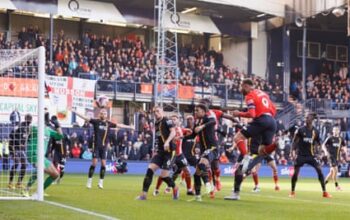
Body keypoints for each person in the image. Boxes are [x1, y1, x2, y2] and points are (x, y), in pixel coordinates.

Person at [225, 78, 277, 200]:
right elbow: (273, 110)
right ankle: (251, 164)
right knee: (262, 152)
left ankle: (246, 157)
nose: (241, 89)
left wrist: (239, 114)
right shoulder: (263, 93)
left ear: (247, 86)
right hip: (272, 122)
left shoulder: (250, 95)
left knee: (237, 137)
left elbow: (252, 114)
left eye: (242, 87)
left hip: (261, 121)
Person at [72, 108, 133, 189]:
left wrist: (129, 127)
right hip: (96, 146)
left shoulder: (108, 123)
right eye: (102, 113)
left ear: (106, 115)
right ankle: (89, 181)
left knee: (103, 165)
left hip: (104, 147)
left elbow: (119, 125)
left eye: (104, 113)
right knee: (94, 164)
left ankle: (101, 182)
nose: (103, 114)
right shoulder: (96, 121)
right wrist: (75, 111)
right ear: (99, 114)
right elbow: (85, 117)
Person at [136, 106, 179, 200]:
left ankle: (175, 187)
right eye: (154, 112)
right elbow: (159, 138)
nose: (156, 113)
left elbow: (173, 132)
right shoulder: (156, 123)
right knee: (149, 170)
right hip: (160, 152)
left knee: (164, 176)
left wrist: (167, 142)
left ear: (162, 112)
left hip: (170, 151)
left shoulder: (167, 120)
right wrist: (156, 149)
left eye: (158, 111)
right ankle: (143, 195)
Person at [289, 113, 331, 198]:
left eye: (308, 118)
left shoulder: (315, 131)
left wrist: (319, 154)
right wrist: (292, 152)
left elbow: (319, 143)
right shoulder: (300, 130)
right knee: (295, 173)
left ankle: (324, 192)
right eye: (306, 118)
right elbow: (294, 142)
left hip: (311, 156)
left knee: (319, 171)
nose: (306, 119)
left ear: (312, 120)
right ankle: (292, 191)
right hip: (300, 155)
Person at [22, 112, 64, 196]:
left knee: (56, 174)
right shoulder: (34, 127)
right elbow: (26, 131)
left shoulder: (48, 130)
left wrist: (57, 125)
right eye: (46, 119)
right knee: (41, 169)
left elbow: (60, 136)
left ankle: (40, 191)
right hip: (33, 154)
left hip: (42, 156)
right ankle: (26, 189)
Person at [153, 115, 194, 196]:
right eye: (172, 120)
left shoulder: (181, 129)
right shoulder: (168, 130)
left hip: (179, 154)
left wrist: (186, 133)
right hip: (171, 154)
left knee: (187, 171)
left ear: (179, 121)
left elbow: (189, 132)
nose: (173, 121)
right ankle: (157, 189)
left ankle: (189, 190)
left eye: (175, 119)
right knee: (164, 174)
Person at [191, 103, 218, 202]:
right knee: (196, 174)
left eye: (197, 110)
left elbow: (213, 121)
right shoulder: (197, 122)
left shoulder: (207, 118)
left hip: (212, 148)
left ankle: (208, 184)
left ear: (203, 111)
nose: (195, 112)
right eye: (195, 110)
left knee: (202, 164)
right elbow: (193, 135)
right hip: (204, 150)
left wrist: (202, 126)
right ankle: (198, 197)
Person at [8, 114, 32, 189]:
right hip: (13, 147)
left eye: (30, 118)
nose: (29, 119)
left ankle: (19, 183)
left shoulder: (29, 128)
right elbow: (11, 135)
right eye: (28, 118)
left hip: (21, 149)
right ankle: (10, 183)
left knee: (24, 165)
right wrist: (19, 143)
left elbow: (27, 138)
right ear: (25, 118)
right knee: (17, 162)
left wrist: (26, 142)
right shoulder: (20, 126)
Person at [322, 125, 347, 191]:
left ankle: (323, 184)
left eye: (337, 130)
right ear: (333, 131)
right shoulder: (330, 138)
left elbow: (344, 146)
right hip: (330, 157)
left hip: (337, 158)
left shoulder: (340, 139)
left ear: (339, 131)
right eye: (334, 130)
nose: (336, 131)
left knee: (331, 173)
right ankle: (337, 186)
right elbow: (323, 145)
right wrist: (325, 151)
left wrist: (345, 151)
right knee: (335, 170)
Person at [49, 116, 67, 184]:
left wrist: (68, 148)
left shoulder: (64, 135)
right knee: (55, 166)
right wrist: (51, 151)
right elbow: (53, 145)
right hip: (56, 153)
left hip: (63, 153)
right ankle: (54, 178)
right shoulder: (54, 136)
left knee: (62, 168)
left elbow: (69, 142)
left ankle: (60, 178)